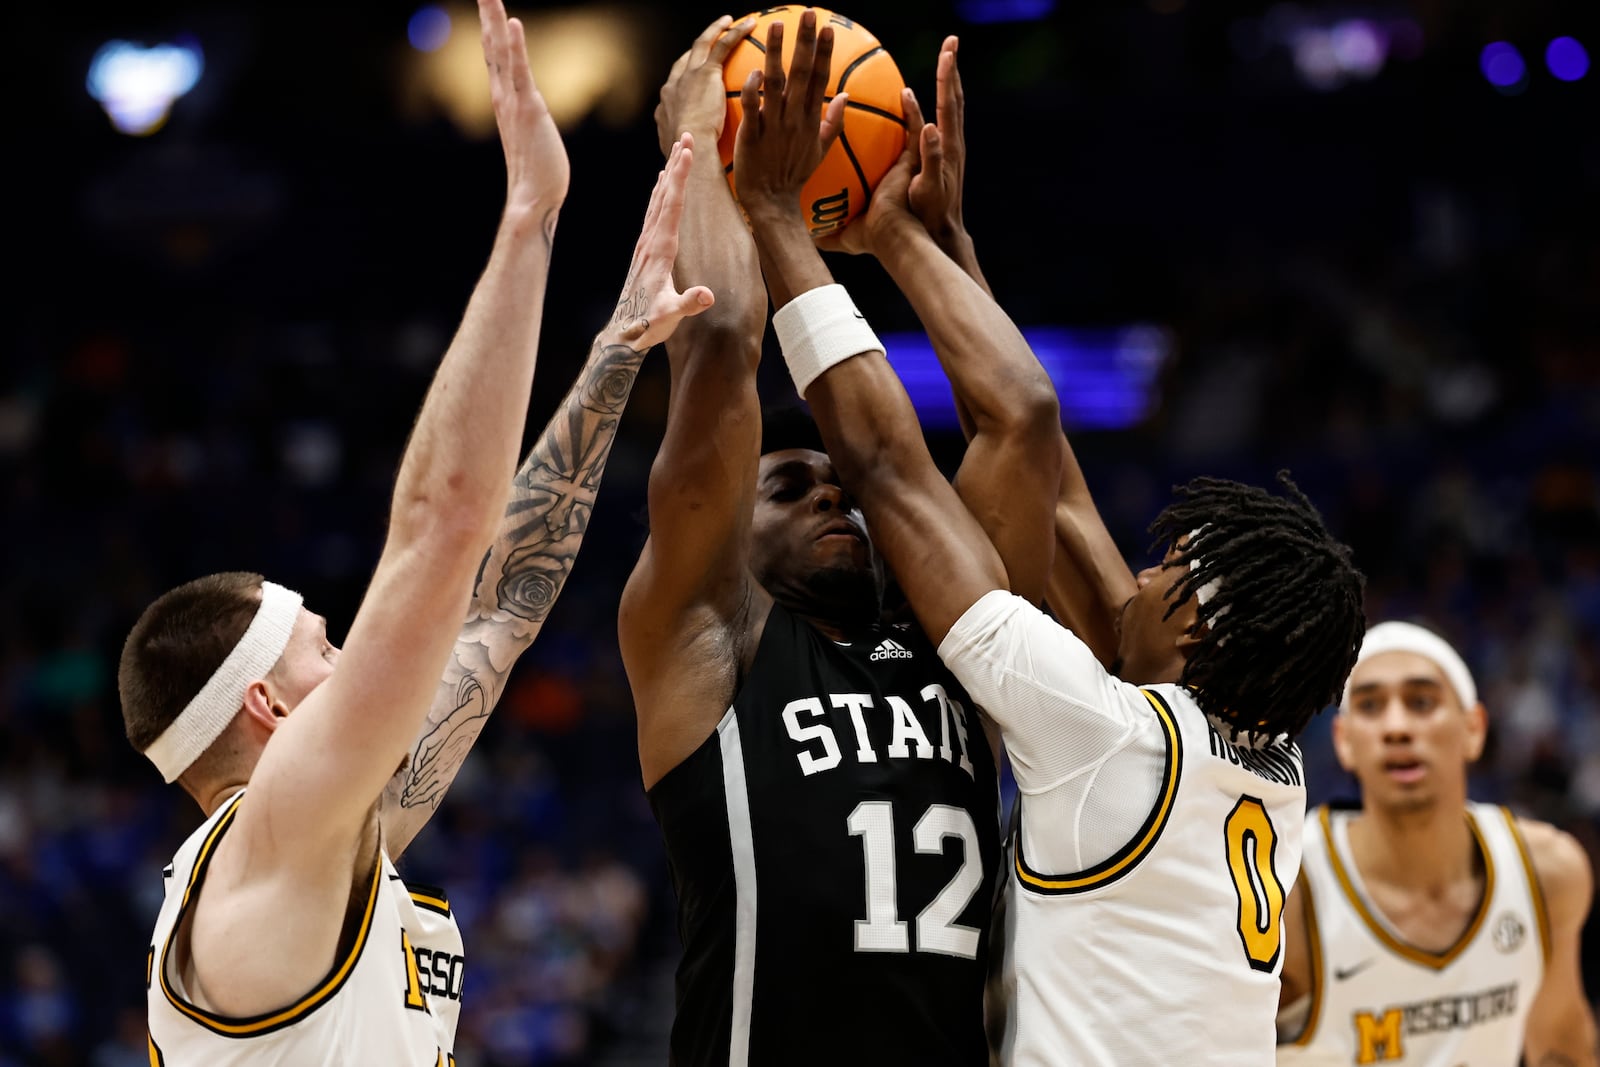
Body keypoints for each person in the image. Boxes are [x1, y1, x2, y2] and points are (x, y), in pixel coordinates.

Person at [732, 15, 1369, 1066]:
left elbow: (893, 469)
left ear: (1201, 624)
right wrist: (942, 248)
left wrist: (780, 220)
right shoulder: (1261, 757)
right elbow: (1051, 470)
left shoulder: (1107, 736)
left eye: (1173, 567)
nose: (1147, 563)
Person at [119, 2, 715, 1059]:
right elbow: (443, 530)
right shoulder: (275, 836)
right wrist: (528, 219)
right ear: (267, 705)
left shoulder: (322, 844)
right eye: (324, 645)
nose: (353, 656)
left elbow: (500, 597)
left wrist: (617, 350)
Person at [618, 13, 1067, 1065]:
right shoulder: (701, 641)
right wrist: (697, 137)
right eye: (786, 485)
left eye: (836, 482)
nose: (833, 497)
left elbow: (1023, 416)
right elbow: (723, 341)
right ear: (733, 528)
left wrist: (902, 234)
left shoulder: (962, 650)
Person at [1276, 620, 1598, 1066]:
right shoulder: (1286, 890)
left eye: (1421, 702)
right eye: (1370, 706)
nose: (1396, 727)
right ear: (1344, 742)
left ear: (1474, 728)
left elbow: (1562, 1045)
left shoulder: (1547, 872)